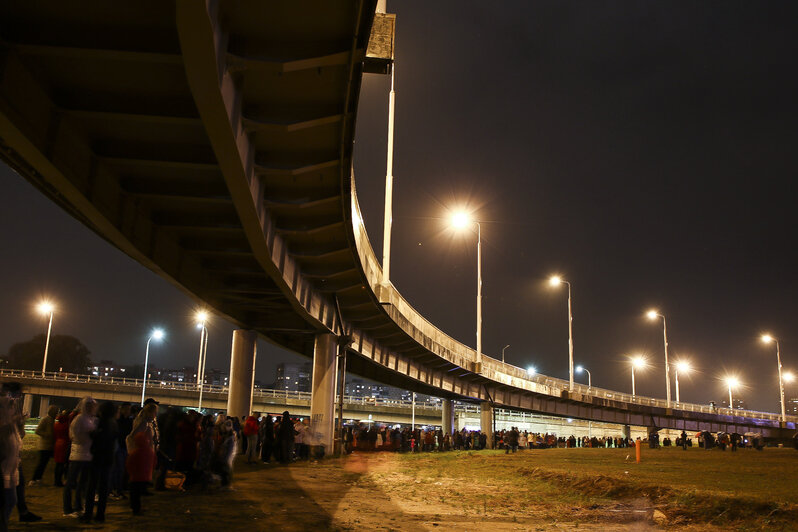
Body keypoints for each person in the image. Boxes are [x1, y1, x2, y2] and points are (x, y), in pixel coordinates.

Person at [81, 401, 118, 523]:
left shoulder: (103, 422)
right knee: (103, 487)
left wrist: (92, 435)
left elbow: (99, 438)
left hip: (98, 457)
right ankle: (100, 514)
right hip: (109, 457)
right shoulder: (114, 423)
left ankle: (88, 513)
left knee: (92, 486)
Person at [63, 397, 97, 517]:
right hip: (77, 455)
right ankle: (67, 509)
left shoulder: (91, 419)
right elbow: (73, 435)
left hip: (88, 455)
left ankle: (78, 506)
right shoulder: (79, 419)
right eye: (91, 406)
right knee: (71, 482)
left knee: (82, 483)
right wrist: (89, 436)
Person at [126, 403, 157, 515]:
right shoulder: (143, 423)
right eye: (154, 413)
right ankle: (136, 507)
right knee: (137, 486)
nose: (155, 415)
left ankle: (137, 505)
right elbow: (135, 436)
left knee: (137, 485)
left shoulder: (145, 422)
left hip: (143, 453)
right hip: (141, 454)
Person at [0, 397, 22, 529]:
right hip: (3, 472)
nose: (14, 410)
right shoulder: (4, 426)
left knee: (11, 501)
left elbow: (17, 444)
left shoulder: (11, 425)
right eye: (11, 407)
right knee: (8, 501)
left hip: (11, 470)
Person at [30, 405, 59, 485]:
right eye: (56, 411)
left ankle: (37, 479)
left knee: (43, 464)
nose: (57, 413)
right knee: (42, 464)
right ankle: (34, 479)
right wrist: (47, 435)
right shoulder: (46, 420)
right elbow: (38, 431)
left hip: (49, 446)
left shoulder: (52, 420)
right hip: (45, 446)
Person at [53, 410, 71, 487]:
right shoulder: (67, 425)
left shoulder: (56, 424)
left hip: (57, 444)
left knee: (58, 464)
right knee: (63, 464)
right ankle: (59, 481)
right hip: (64, 445)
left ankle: (56, 480)